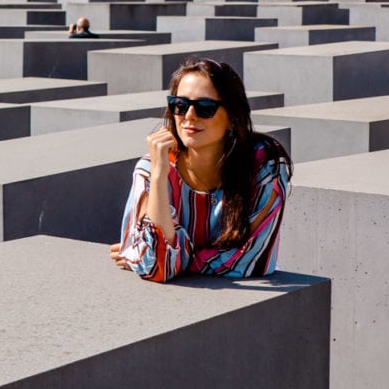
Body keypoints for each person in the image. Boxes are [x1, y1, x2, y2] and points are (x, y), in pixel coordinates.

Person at [110, 57, 292, 283]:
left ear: (233, 118)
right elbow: (157, 266)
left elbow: (250, 259)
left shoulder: (265, 164)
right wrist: (158, 175)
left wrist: (171, 258)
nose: (189, 116)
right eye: (180, 105)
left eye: (205, 107)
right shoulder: (151, 169)